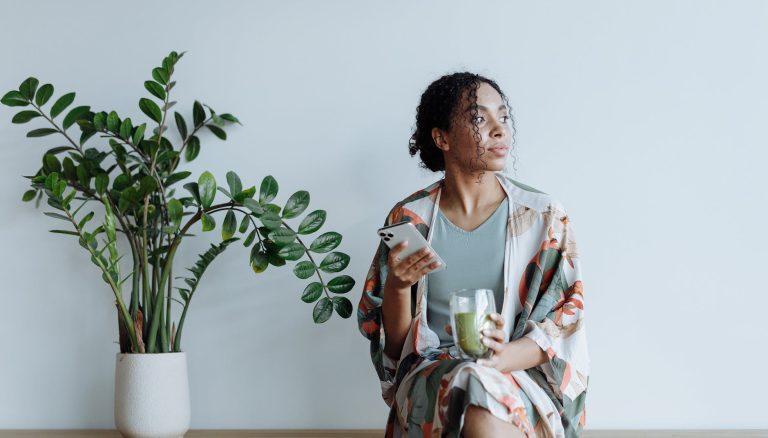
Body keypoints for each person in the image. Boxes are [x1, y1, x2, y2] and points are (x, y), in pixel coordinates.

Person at [357, 72, 590, 437]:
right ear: (442, 138)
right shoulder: (409, 220)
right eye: (480, 118)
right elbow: (397, 351)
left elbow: (561, 326)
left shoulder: (544, 218)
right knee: (470, 381)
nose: (500, 130)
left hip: (518, 377)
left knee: (479, 385)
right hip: (430, 378)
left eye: (504, 117)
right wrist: (399, 288)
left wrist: (499, 357)